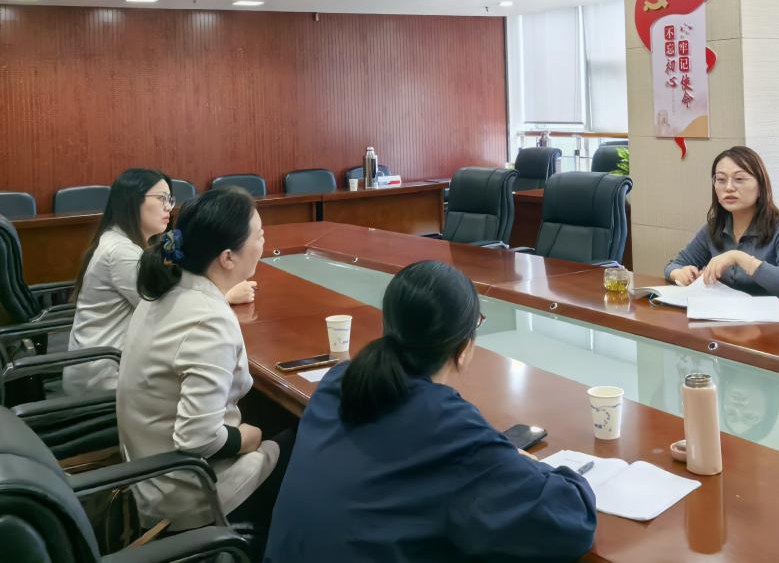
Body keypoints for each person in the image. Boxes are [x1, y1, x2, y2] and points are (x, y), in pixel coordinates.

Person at [264, 260, 597, 563]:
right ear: (464, 348)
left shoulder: (338, 380)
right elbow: (572, 520)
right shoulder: (448, 429)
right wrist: (526, 463)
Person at [117, 187, 289, 548]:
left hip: (149, 473)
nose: (264, 242)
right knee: (309, 436)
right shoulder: (209, 321)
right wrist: (250, 437)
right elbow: (197, 439)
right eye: (258, 235)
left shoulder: (165, 288)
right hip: (188, 496)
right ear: (227, 258)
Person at [63, 168, 256, 396]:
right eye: (161, 198)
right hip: (103, 376)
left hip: (110, 363)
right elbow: (169, 312)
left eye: (170, 199)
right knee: (213, 376)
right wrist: (227, 295)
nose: (169, 207)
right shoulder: (121, 253)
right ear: (132, 201)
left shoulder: (121, 240)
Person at [664, 146, 779, 302]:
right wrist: (679, 273)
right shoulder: (714, 228)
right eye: (721, 180)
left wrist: (739, 258)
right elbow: (674, 265)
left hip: (773, 316)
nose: (729, 188)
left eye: (739, 179)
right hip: (725, 315)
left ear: (761, 186)